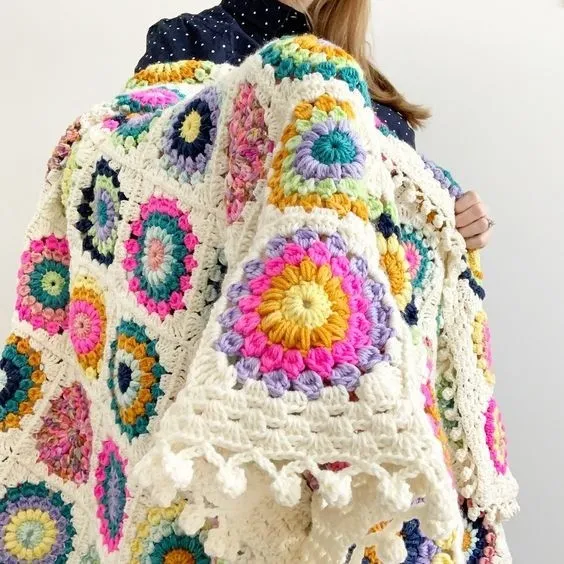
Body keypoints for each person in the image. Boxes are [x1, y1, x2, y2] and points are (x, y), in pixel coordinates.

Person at [136, 0, 493, 250]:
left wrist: (454, 222)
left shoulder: (377, 98)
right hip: (228, 319)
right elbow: (138, 187)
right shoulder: (187, 42)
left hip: (355, 326)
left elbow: (395, 239)